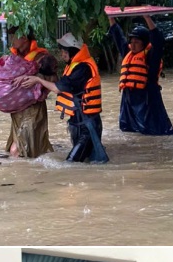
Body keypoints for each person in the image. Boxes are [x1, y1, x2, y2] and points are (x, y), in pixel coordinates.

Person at [18, 32, 108, 163]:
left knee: (70, 164)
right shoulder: (73, 66)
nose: (62, 54)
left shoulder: (83, 68)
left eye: (64, 51)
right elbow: (58, 83)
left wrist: (37, 80)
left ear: (72, 51)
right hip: (78, 123)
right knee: (85, 162)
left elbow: (57, 88)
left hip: (87, 126)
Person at [108, 15, 173, 135]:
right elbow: (118, 37)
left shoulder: (151, 56)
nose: (133, 44)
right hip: (129, 97)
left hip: (147, 97)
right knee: (128, 130)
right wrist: (111, 18)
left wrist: (147, 17)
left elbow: (157, 41)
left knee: (152, 132)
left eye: (137, 42)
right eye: (132, 42)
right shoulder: (128, 53)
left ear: (145, 43)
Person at [0, 27, 55, 159]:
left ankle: (28, 176)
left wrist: (33, 78)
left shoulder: (42, 57)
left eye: (14, 37)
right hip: (16, 111)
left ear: (25, 38)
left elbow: (53, 80)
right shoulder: (12, 58)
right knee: (27, 150)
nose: (11, 40)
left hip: (33, 111)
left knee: (20, 149)